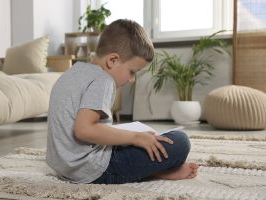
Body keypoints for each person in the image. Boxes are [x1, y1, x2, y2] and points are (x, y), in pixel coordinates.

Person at [46, 19, 198, 184]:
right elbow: (84, 130)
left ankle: (152, 168)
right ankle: (157, 170)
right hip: (92, 169)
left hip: (64, 167)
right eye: (132, 71)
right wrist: (135, 138)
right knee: (180, 142)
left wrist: (132, 136)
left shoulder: (73, 73)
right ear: (112, 60)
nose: (132, 80)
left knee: (141, 139)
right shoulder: (103, 80)